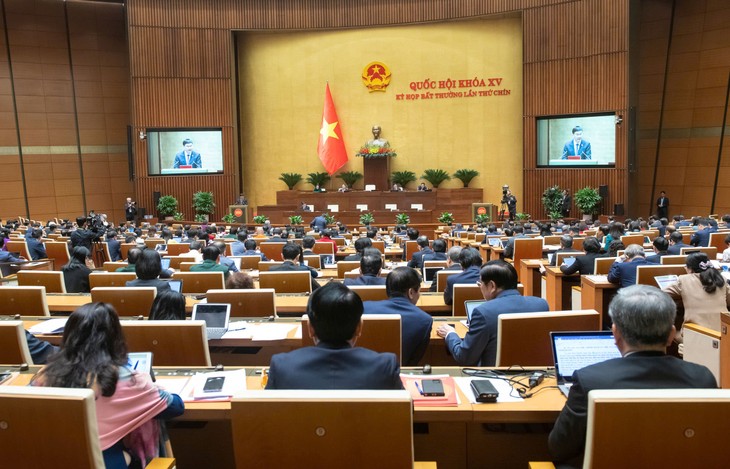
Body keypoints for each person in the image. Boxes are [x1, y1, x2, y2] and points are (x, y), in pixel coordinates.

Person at [548, 285, 717, 468]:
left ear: (616, 334)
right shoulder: (703, 378)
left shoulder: (589, 380)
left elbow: (559, 448)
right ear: (671, 335)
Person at [32, 302, 184, 467]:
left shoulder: (45, 376)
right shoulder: (128, 380)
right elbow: (176, 407)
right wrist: (154, 388)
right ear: (115, 337)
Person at [266, 282, 401, 389]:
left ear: (310, 328)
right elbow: (403, 413)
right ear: (359, 328)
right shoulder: (385, 365)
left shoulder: (281, 366)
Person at [437, 260, 549, 366]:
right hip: (537, 377)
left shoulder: (483, 312)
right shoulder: (542, 304)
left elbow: (464, 357)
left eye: (480, 283)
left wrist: (450, 333)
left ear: (492, 286)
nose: (480, 287)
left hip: (496, 377)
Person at [363, 267, 433, 366]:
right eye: (419, 291)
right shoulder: (425, 320)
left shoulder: (365, 307)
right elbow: (413, 361)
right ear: (411, 292)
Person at [662, 252, 730, 342]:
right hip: (724, 334)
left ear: (690, 269)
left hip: (697, 335)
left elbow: (661, 293)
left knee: (673, 331)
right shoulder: (722, 279)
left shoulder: (683, 280)